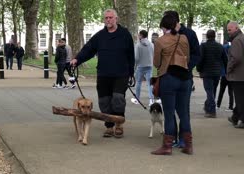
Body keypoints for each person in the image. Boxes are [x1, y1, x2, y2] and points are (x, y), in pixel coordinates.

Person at [70, 9, 135, 138]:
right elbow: (88, 49)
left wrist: (131, 72)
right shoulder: (100, 36)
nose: (108, 20)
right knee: (104, 101)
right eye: (106, 18)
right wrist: (77, 59)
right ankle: (109, 127)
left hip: (121, 74)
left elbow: (131, 55)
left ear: (116, 19)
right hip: (104, 74)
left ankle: (118, 124)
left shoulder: (125, 34)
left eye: (111, 17)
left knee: (117, 98)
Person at [151, 15, 192, 155]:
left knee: (169, 113)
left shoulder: (160, 41)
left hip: (169, 78)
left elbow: (156, 63)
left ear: (163, 27)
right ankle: (188, 145)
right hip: (185, 78)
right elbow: (188, 57)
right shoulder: (184, 38)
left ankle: (167, 146)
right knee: (184, 113)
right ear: (175, 25)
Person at [163, 10, 200, 148]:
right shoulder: (168, 33)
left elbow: (197, 54)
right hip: (170, 74)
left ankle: (183, 139)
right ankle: (172, 137)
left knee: (183, 109)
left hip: (184, 76)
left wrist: (187, 67)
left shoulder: (189, 34)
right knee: (170, 109)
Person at [196, 30, 227, 118]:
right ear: (215, 36)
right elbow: (225, 59)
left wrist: (199, 68)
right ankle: (207, 106)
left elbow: (200, 59)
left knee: (209, 91)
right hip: (217, 72)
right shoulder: (220, 46)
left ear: (207, 36)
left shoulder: (203, 46)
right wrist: (226, 70)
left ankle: (212, 111)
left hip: (207, 72)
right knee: (213, 91)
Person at [226, 21, 244, 128]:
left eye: (230, 30)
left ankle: (242, 119)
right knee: (241, 98)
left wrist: (229, 68)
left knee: (240, 99)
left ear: (236, 28)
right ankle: (235, 117)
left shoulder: (237, 40)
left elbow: (236, 58)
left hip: (238, 75)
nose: (228, 32)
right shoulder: (242, 37)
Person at [131, 30, 154, 106]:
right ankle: (151, 100)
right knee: (149, 83)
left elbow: (136, 58)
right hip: (149, 65)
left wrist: (135, 66)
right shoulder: (151, 44)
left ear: (141, 35)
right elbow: (153, 54)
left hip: (140, 66)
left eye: (139, 35)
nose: (138, 36)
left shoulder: (138, 45)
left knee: (138, 82)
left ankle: (137, 99)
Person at [216, 41, 234, 111]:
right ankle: (231, 106)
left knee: (221, 91)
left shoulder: (223, 52)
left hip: (224, 74)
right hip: (231, 75)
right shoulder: (233, 55)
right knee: (230, 91)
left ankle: (218, 105)